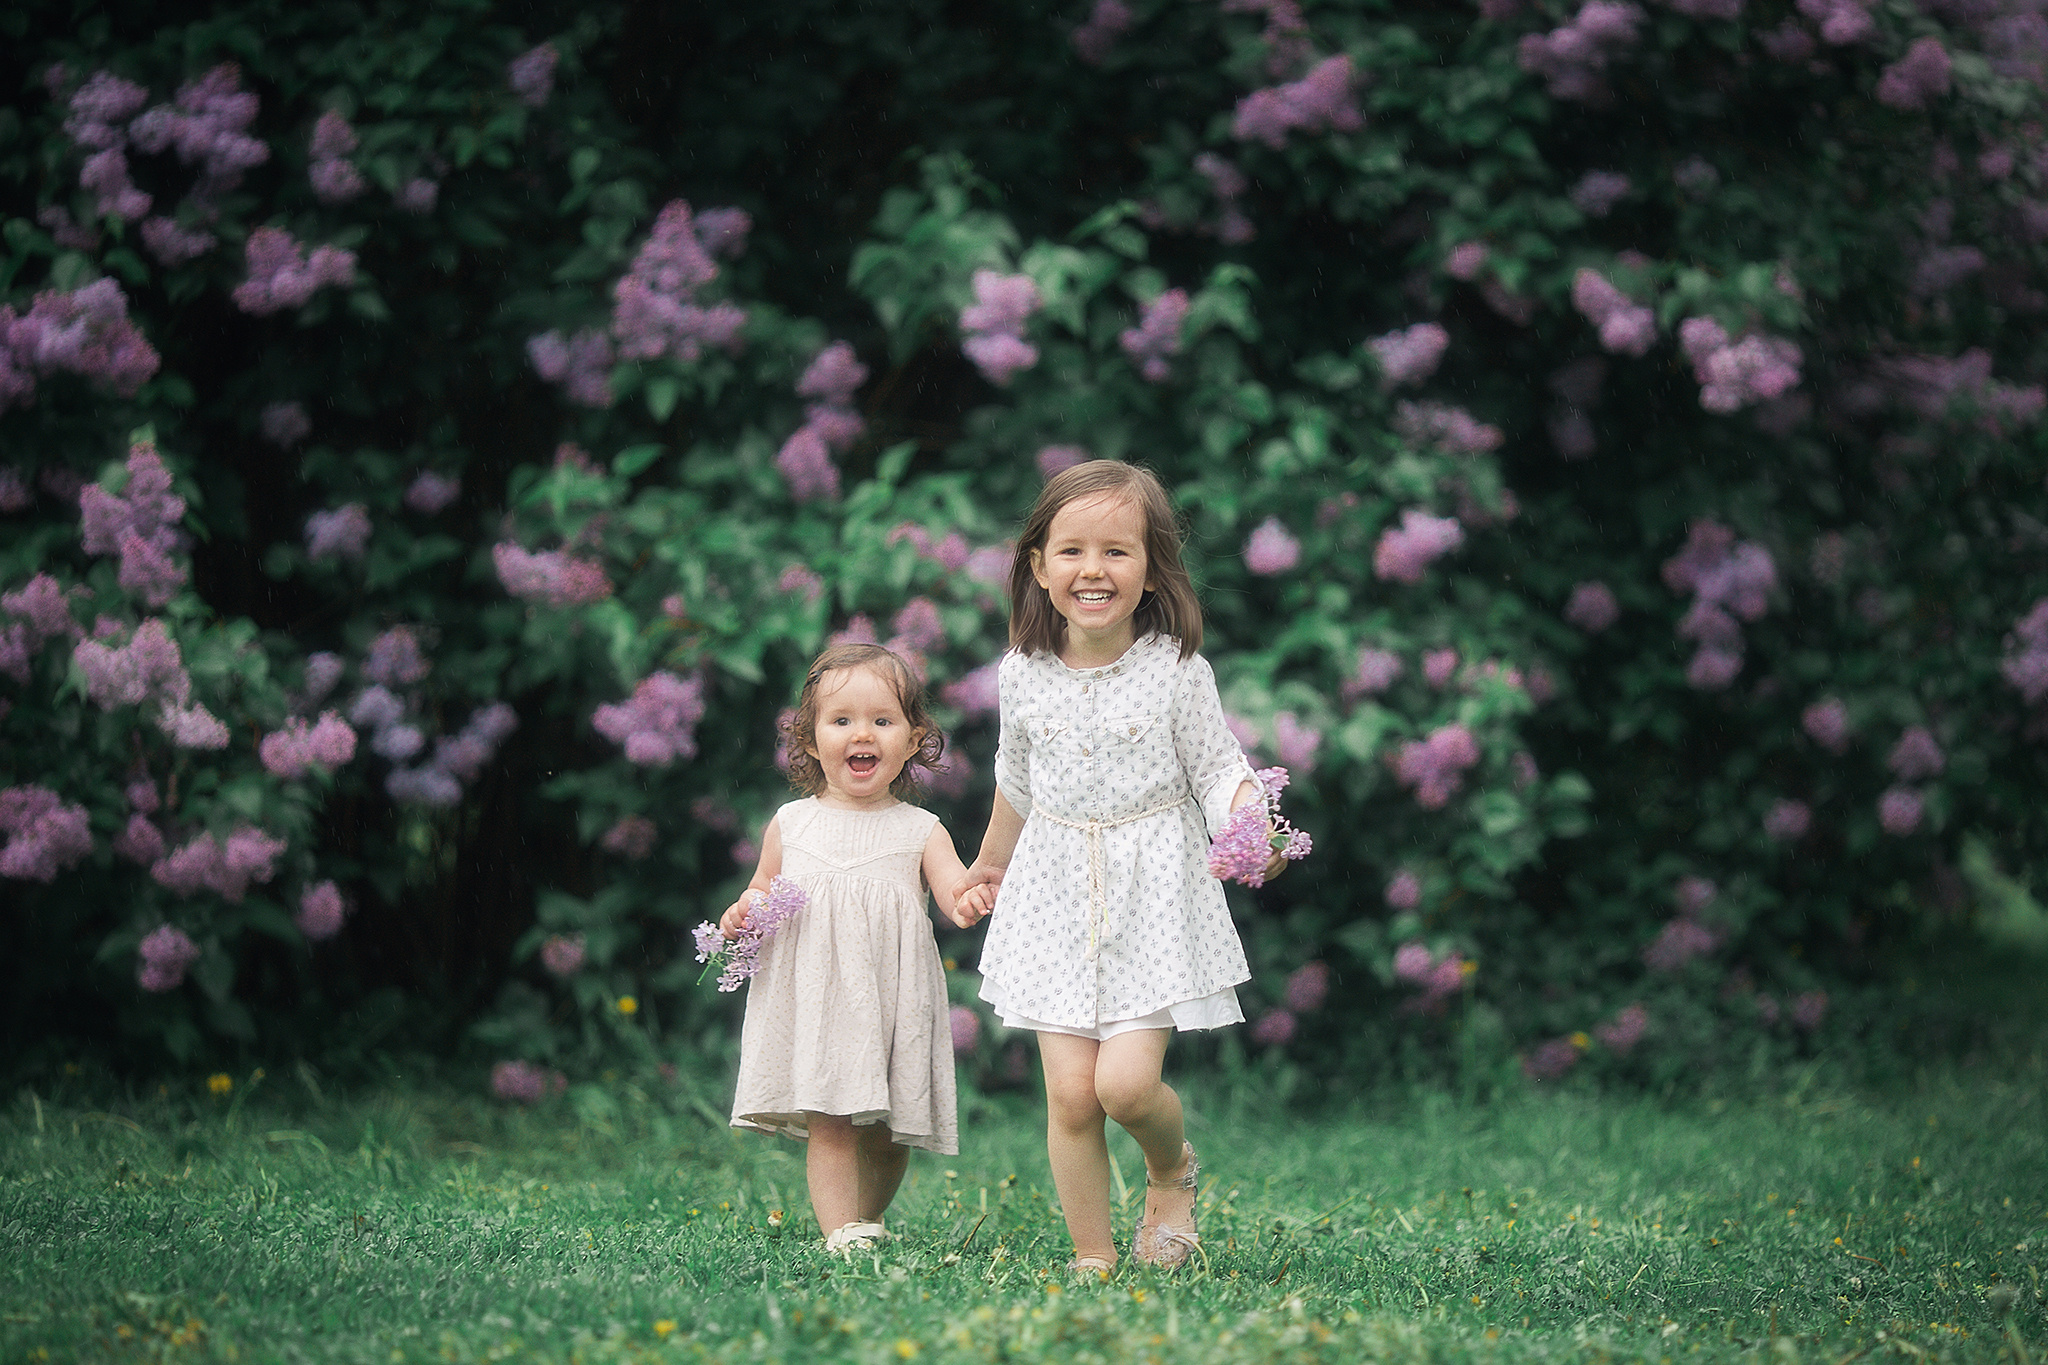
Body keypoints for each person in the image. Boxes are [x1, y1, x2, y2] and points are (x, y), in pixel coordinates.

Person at [953, 460, 1286, 1275]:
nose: (1092, 569)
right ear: (1039, 566)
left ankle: (1171, 1168)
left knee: (1126, 1087)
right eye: (1071, 551)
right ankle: (1093, 1256)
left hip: (1153, 897)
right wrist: (988, 864)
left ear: (1151, 569)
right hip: (1054, 896)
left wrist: (1253, 827)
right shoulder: (1021, 672)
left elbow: (1218, 768)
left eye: (1116, 551)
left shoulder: (1177, 670)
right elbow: (1016, 781)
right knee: (1072, 1094)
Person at [720, 642, 989, 1254]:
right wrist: (744, 911)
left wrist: (970, 900)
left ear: (914, 741)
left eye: (882, 720)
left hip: (890, 1003)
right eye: (841, 720)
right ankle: (841, 1232)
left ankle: (864, 1217)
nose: (861, 734)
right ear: (812, 741)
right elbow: (762, 889)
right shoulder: (792, 822)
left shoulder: (920, 829)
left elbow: (954, 894)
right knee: (831, 1120)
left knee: (890, 1133)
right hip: (817, 1002)